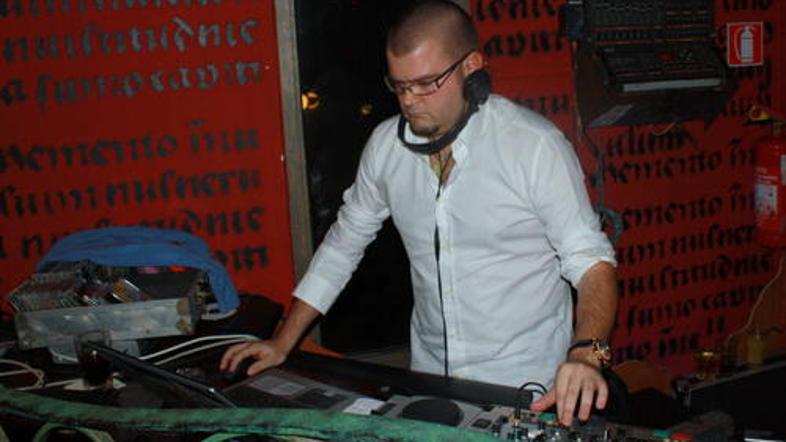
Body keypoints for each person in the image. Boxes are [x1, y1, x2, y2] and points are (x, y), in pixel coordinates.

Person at [221, 0, 618, 426]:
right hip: (430, 386)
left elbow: (593, 265)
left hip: (529, 388)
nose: (409, 101)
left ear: (472, 67)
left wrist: (588, 354)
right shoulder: (386, 148)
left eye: (427, 84)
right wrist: (283, 341)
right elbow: (343, 245)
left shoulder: (533, 146)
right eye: (400, 86)